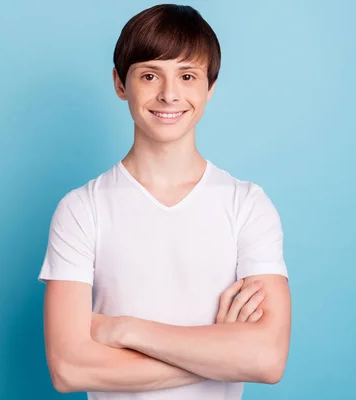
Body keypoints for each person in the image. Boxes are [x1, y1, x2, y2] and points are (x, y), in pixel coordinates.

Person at [37, 4, 291, 399]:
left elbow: (267, 359)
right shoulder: (81, 209)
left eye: (187, 76)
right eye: (150, 75)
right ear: (120, 85)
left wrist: (124, 329)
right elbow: (69, 368)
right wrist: (220, 349)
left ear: (210, 87)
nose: (169, 94)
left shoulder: (247, 205)